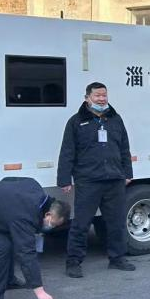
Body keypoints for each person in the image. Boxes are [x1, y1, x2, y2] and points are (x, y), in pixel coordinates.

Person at [57, 82, 134, 278]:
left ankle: (117, 258)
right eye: (97, 96)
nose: (101, 99)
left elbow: (124, 148)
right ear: (87, 98)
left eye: (104, 95)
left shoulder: (115, 119)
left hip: (114, 179)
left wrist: (127, 173)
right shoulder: (76, 122)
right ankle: (73, 262)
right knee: (81, 224)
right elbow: (67, 151)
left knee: (116, 222)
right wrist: (64, 179)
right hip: (88, 180)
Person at [0, 177, 69, 299]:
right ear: (48, 214)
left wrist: (2, 205)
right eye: (53, 223)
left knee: (9, 239)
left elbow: (7, 179)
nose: (51, 227)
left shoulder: (35, 187)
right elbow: (26, 252)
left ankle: (8, 280)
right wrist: (40, 292)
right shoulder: (26, 215)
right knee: (0, 247)